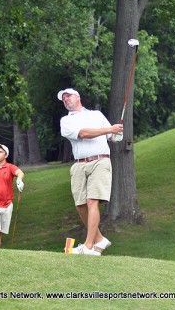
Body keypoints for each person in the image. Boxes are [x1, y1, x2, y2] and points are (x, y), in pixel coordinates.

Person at [57, 88, 124, 256]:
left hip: (100, 161)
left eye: (68, 96)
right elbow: (83, 133)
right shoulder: (66, 121)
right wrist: (110, 130)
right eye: (63, 99)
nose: (66, 100)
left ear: (78, 97)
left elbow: (114, 138)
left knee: (92, 201)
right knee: (80, 205)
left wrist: (117, 132)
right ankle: (100, 240)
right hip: (79, 164)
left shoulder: (96, 115)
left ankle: (88, 246)